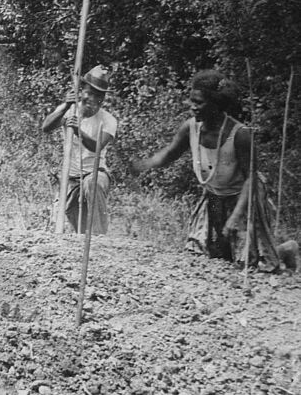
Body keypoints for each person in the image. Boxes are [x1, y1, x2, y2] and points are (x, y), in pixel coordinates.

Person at [129, 70, 295, 271]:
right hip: (214, 196)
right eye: (191, 101)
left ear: (216, 104)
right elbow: (169, 154)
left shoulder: (240, 135)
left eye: (199, 103)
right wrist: (144, 165)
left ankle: (285, 250)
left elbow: (251, 178)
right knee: (210, 256)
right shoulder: (190, 127)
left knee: (250, 265)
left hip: (244, 198)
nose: (193, 107)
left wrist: (235, 216)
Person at [42, 65, 118, 234]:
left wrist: (79, 132)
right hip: (70, 179)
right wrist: (65, 106)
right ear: (82, 91)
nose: (92, 99)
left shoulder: (108, 120)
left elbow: (97, 147)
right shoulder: (70, 110)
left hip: (94, 174)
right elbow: (46, 127)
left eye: (98, 96)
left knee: (94, 183)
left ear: (103, 99)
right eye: (89, 93)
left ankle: (98, 240)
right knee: (72, 228)